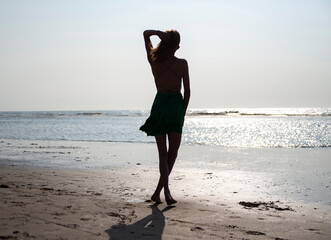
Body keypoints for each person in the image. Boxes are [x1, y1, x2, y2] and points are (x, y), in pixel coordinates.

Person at [140, 29, 190, 205]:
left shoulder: (154, 61)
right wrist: (182, 114)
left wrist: (158, 34)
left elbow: (146, 34)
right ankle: (165, 191)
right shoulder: (182, 63)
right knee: (172, 154)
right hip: (176, 105)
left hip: (160, 104)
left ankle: (160, 192)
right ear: (176, 46)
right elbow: (188, 92)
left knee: (162, 154)